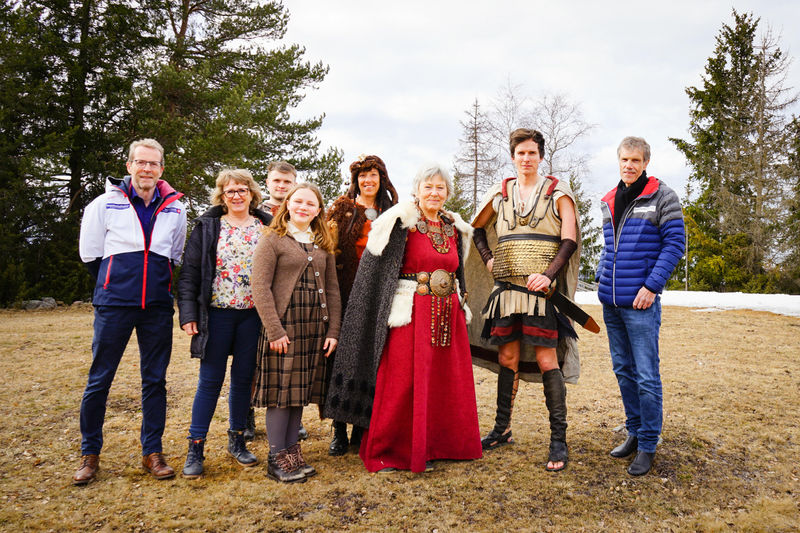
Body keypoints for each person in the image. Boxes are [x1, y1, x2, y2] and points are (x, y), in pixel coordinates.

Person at [324, 163, 481, 473]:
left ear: (447, 193)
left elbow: (458, 272)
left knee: (444, 382)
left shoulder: (454, 226)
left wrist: (460, 303)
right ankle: (394, 448)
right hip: (408, 314)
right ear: (416, 190)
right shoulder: (398, 222)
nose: (434, 192)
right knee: (401, 382)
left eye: (440, 188)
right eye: (428, 187)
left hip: (447, 314)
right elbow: (372, 273)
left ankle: (441, 444)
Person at [74, 138, 187, 485]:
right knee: (100, 380)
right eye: (141, 162)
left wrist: (155, 289)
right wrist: (113, 285)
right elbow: (90, 254)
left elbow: (176, 256)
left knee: (155, 381)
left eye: (153, 164)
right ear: (129, 166)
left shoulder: (176, 208)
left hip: (156, 307)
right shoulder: (104, 204)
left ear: (161, 169)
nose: (147, 169)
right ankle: (89, 454)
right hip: (114, 305)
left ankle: (152, 452)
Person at [469, 128, 580, 472]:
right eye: (521, 153)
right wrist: (489, 260)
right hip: (506, 291)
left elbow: (569, 240)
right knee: (508, 356)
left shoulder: (558, 192)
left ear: (541, 156)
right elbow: (476, 229)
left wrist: (548, 275)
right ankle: (502, 429)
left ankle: (558, 440)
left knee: (548, 360)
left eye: (532, 153)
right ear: (513, 156)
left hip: (541, 293)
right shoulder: (499, 193)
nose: (527, 158)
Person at [597, 136, 685, 476]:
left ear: (646, 162)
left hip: (641, 302)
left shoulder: (663, 196)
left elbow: (675, 244)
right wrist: (602, 278)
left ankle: (649, 443)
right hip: (612, 303)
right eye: (624, 160)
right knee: (623, 370)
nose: (630, 165)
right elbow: (609, 248)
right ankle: (634, 431)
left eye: (636, 160)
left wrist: (652, 286)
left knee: (647, 376)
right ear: (618, 161)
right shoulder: (608, 199)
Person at [177, 169, 273, 478]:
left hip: (251, 316)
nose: (236, 195)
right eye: (230, 191)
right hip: (216, 315)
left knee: (243, 380)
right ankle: (196, 446)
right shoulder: (208, 227)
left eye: (242, 190)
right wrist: (188, 314)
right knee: (210, 381)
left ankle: (238, 440)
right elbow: (190, 272)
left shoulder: (266, 227)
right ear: (222, 195)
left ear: (252, 194)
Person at [251, 183, 341, 482]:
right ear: (288, 203)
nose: (303, 207)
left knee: (298, 392)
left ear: (318, 210)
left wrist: (333, 330)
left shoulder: (321, 243)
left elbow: (332, 289)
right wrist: (274, 330)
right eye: (298, 201)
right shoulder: (272, 240)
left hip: (314, 328)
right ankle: (277, 458)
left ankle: (292, 454)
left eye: (310, 204)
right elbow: (260, 288)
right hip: (285, 327)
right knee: (281, 393)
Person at [325, 155, 398, 456]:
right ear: (355, 180)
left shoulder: (393, 213)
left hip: (378, 294)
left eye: (373, 175)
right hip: (344, 291)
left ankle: (362, 427)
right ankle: (339, 430)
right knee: (341, 358)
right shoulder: (341, 210)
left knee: (371, 357)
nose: (368, 181)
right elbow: (327, 249)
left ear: (382, 179)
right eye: (363, 176)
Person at [246, 160, 308, 441]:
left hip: (285, 299)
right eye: (276, 181)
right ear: (268, 183)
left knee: (288, 364)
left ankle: (291, 421)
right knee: (251, 363)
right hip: (253, 297)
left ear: (294, 184)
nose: (281, 186)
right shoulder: (255, 214)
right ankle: (246, 415)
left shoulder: (301, 213)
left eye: (287, 182)